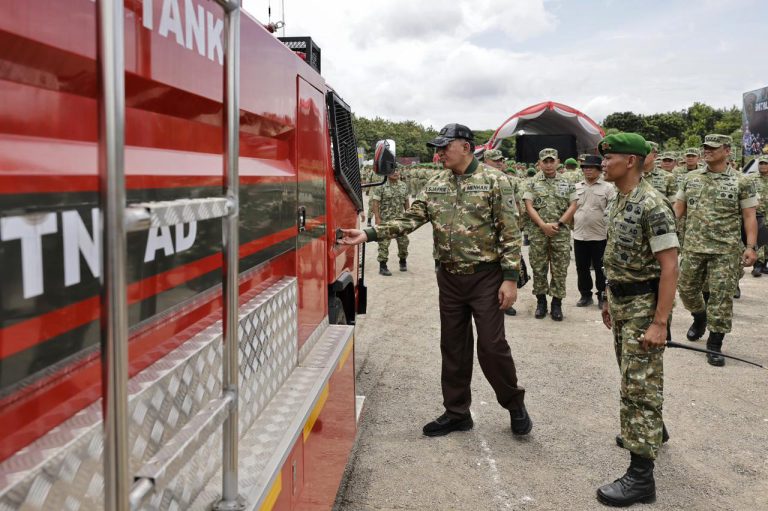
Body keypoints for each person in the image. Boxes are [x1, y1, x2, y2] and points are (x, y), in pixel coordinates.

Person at [339, 123, 532, 437]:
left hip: (485, 277)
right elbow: (412, 217)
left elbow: (510, 233)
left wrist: (510, 279)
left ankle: (514, 403)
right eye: (437, 148)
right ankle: (457, 413)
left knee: (492, 347)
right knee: (453, 347)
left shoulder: (496, 182)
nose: (438, 153)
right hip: (450, 279)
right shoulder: (436, 182)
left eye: (444, 148)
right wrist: (370, 233)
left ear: (466, 147)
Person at [596, 133, 679, 507]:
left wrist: (660, 322)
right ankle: (651, 432)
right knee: (633, 377)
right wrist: (608, 299)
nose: (602, 163)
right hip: (624, 302)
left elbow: (670, 266)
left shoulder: (652, 204)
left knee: (638, 388)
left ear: (630, 161)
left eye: (608, 157)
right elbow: (616, 256)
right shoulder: (619, 198)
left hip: (645, 307)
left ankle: (641, 478)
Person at [674, 134, 758, 366]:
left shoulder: (742, 181)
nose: (707, 151)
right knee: (687, 289)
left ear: (727, 151)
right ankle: (700, 317)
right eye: (705, 147)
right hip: (693, 246)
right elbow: (677, 210)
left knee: (721, 298)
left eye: (713, 148)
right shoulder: (690, 178)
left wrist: (750, 247)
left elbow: (749, 217)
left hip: (726, 250)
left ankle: (715, 344)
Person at [523, 148, 578, 321]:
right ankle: (541, 303)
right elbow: (528, 205)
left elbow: (574, 204)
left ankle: (556, 304)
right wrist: (542, 225)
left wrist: (559, 223)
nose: (548, 164)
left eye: (551, 161)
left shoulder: (567, 182)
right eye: (544, 161)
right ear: (539, 163)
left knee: (560, 269)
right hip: (538, 232)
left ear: (558, 162)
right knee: (539, 268)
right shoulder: (531, 182)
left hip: (560, 232)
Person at [573, 155, 615, 308]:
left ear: (599, 169)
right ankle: (585, 295)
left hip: (600, 235)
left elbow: (611, 211)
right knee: (581, 267)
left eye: (591, 167)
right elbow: (571, 209)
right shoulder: (576, 187)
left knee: (600, 268)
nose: (588, 170)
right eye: (585, 167)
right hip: (579, 234)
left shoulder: (608, 188)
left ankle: (602, 296)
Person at [485, 149, 521, 317]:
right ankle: (491, 300)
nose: (499, 163)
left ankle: (507, 303)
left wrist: (517, 227)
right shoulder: (481, 180)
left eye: (501, 160)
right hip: (489, 234)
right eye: (495, 160)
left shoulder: (511, 181)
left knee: (508, 266)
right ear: (486, 161)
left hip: (507, 231)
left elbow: (517, 205)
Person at [370, 169, 411, 275]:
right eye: (393, 171)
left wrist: (408, 215)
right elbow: (375, 203)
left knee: (403, 242)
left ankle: (403, 261)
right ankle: (382, 266)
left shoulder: (403, 186)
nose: (396, 173)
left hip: (400, 220)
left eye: (397, 171)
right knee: (383, 243)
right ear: (387, 173)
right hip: (386, 221)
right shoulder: (381, 186)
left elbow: (406, 202)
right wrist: (377, 218)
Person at [750, 155, 768, 276]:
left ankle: (765, 264)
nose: (763, 165)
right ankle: (757, 265)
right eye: (761, 163)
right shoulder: (751, 178)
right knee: (759, 239)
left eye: (765, 163)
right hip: (758, 214)